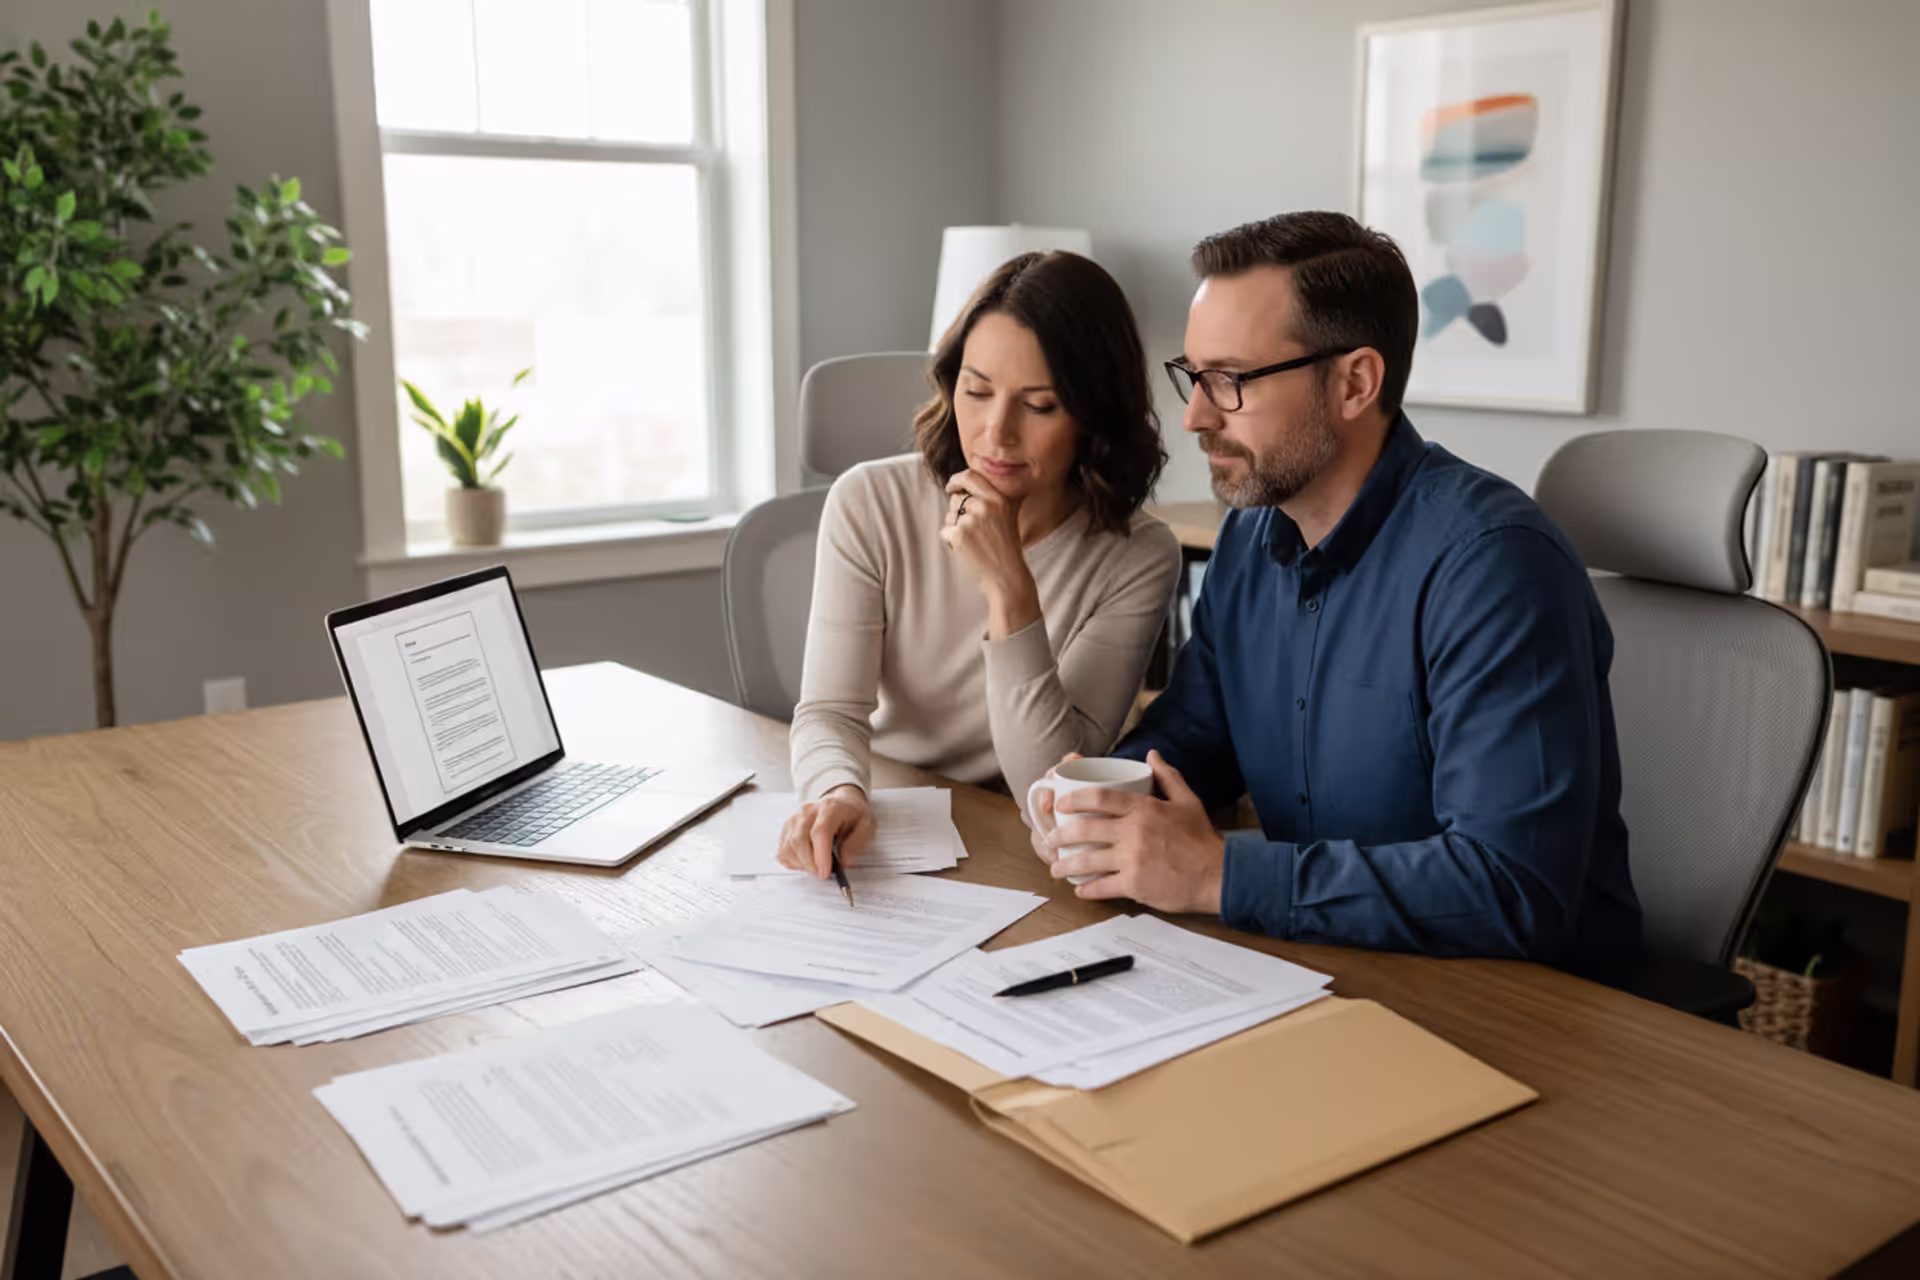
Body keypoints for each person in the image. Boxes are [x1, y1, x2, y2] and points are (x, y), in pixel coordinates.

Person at [1029, 212, 1641, 981]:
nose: (1195, 416)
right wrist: (1098, 803)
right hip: (1334, 969)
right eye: (1194, 374)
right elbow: (1192, 740)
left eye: (1231, 380)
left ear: (1355, 383)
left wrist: (1216, 875)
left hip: (1528, 1003)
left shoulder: (1495, 567)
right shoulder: (1250, 537)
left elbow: (1511, 886)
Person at [780, 251, 1182, 877]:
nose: (996, 433)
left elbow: (1050, 791)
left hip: (1017, 848)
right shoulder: (869, 501)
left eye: (1039, 405)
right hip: (888, 820)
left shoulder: (1139, 555)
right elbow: (830, 712)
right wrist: (838, 791)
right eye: (976, 391)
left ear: (1095, 415)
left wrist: (1009, 588)